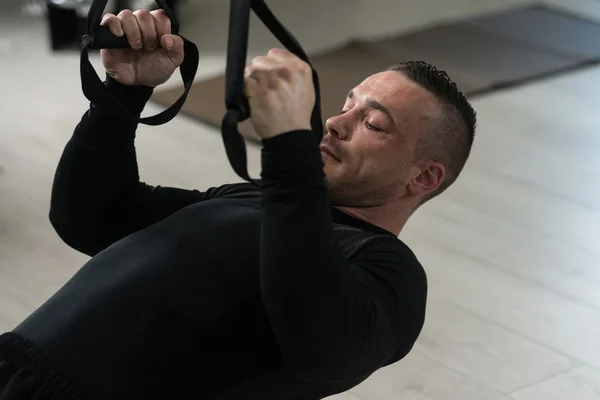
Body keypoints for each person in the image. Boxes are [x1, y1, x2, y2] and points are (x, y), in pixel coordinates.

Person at [0, 7, 476, 400]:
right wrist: (124, 92)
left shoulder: (389, 274)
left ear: (424, 177)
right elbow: (89, 218)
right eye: (347, 104)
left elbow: (323, 346)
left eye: (374, 124)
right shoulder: (256, 199)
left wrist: (289, 147)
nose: (335, 122)